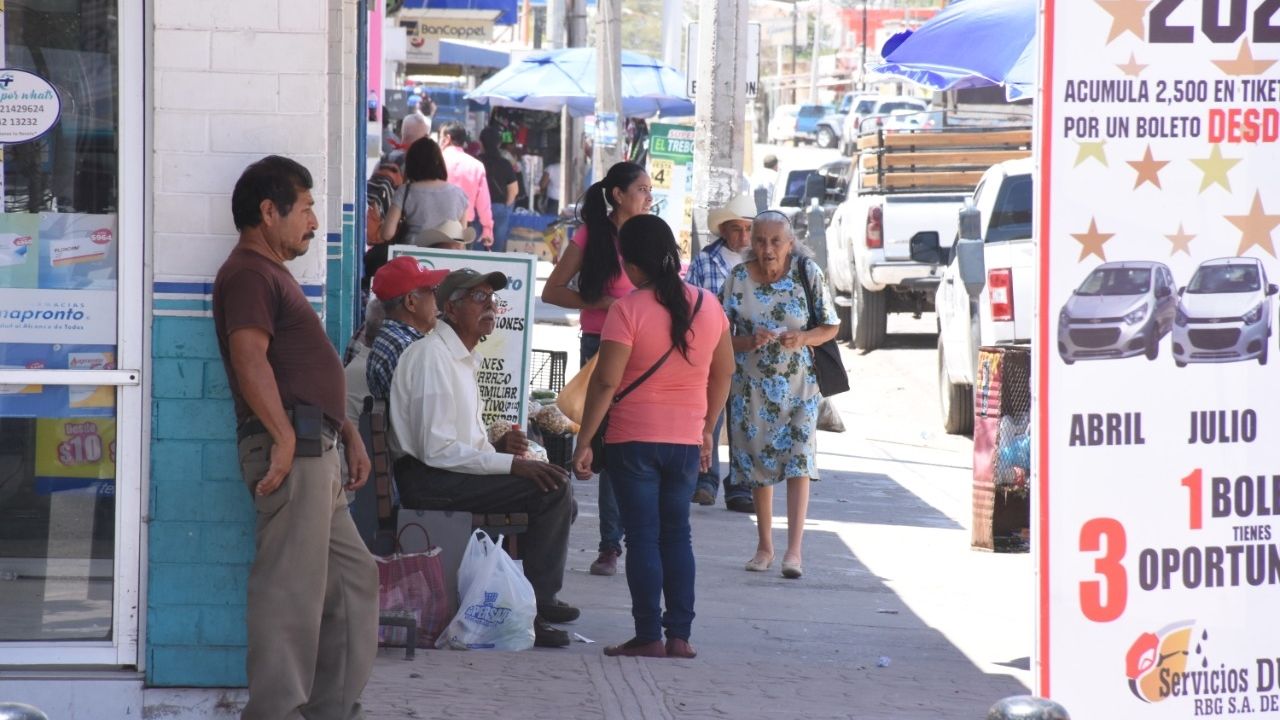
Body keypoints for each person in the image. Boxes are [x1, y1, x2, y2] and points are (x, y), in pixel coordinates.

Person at [211, 155, 377, 720]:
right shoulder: (251, 273)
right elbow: (249, 357)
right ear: (268, 211)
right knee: (291, 594)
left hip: (317, 447)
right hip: (294, 451)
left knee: (353, 580)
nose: (312, 221)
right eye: (305, 208)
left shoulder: (272, 274)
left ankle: (330, 709)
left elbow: (302, 372)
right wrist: (283, 439)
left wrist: (346, 429)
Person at [570, 214, 733, 659]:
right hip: (683, 443)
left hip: (631, 440)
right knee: (676, 535)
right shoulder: (709, 305)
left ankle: (648, 635)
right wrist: (706, 428)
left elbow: (605, 383)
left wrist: (584, 441)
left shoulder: (627, 310)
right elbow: (725, 373)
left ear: (633, 266)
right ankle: (679, 635)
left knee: (642, 537)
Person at [389, 268, 579, 648]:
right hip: (428, 481)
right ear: (451, 309)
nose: (490, 307)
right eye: (479, 299)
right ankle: (538, 606)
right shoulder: (433, 358)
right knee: (551, 492)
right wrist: (511, 465)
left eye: (492, 300)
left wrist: (498, 451)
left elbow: (457, 443)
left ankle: (529, 596)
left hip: (443, 473)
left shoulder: (459, 358)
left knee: (556, 488)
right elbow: (436, 450)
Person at [541, 161, 653, 577]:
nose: (648, 196)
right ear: (619, 195)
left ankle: (627, 538)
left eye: (649, 189)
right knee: (604, 441)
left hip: (645, 350)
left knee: (632, 441)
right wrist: (601, 304)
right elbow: (553, 290)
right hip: (600, 347)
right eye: (641, 189)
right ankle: (610, 545)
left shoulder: (649, 233)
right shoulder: (591, 236)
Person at [719, 211, 839, 580]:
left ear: (790, 243)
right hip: (750, 387)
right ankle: (764, 546)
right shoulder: (738, 278)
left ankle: (794, 551)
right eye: (759, 240)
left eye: (775, 241)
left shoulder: (807, 273)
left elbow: (830, 325)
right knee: (759, 465)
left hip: (800, 386)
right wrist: (747, 341)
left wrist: (802, 337)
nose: (767, 249)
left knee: (799, 462)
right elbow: (720, 335)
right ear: (749, 243)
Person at [685, 193, 758, 513]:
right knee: (709, 416)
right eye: (736, 229)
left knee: (743, 419)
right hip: (713, 350)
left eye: (747, 229)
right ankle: (705, 479)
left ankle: (740, 485)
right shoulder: (705, 260)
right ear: (723, 231)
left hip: (750, 352)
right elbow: (690, 301)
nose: (742, 236)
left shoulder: (761, 261)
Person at [366, 138, 469, 282]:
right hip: (448, 263)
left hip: (411, 261)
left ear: (411, 164)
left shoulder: (405, 191)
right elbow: (461, 238)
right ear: (439, 162)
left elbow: (387, 234)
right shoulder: (459, 193)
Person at [365, 256, 450, 402]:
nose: (439, 300)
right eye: (433, 291)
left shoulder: (394, 338)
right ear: (411, 301)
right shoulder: (405, 347)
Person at [438, 122, 495, 248]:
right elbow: (484, 203)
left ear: (447, 139)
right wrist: (487, 228)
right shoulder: (476, 166)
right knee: (461, 266)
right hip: (465, 227)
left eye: (440, 137)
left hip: (435, 224)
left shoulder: (436, 160)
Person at [479, 125, 519, 253]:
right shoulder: (505, 164)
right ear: (499, 143)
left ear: (481, 143)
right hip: (499, 207)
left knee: (476, 249)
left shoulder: (476, 162)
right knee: (497, 250)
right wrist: (506, 206)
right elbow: (514, 190)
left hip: (478, 208)